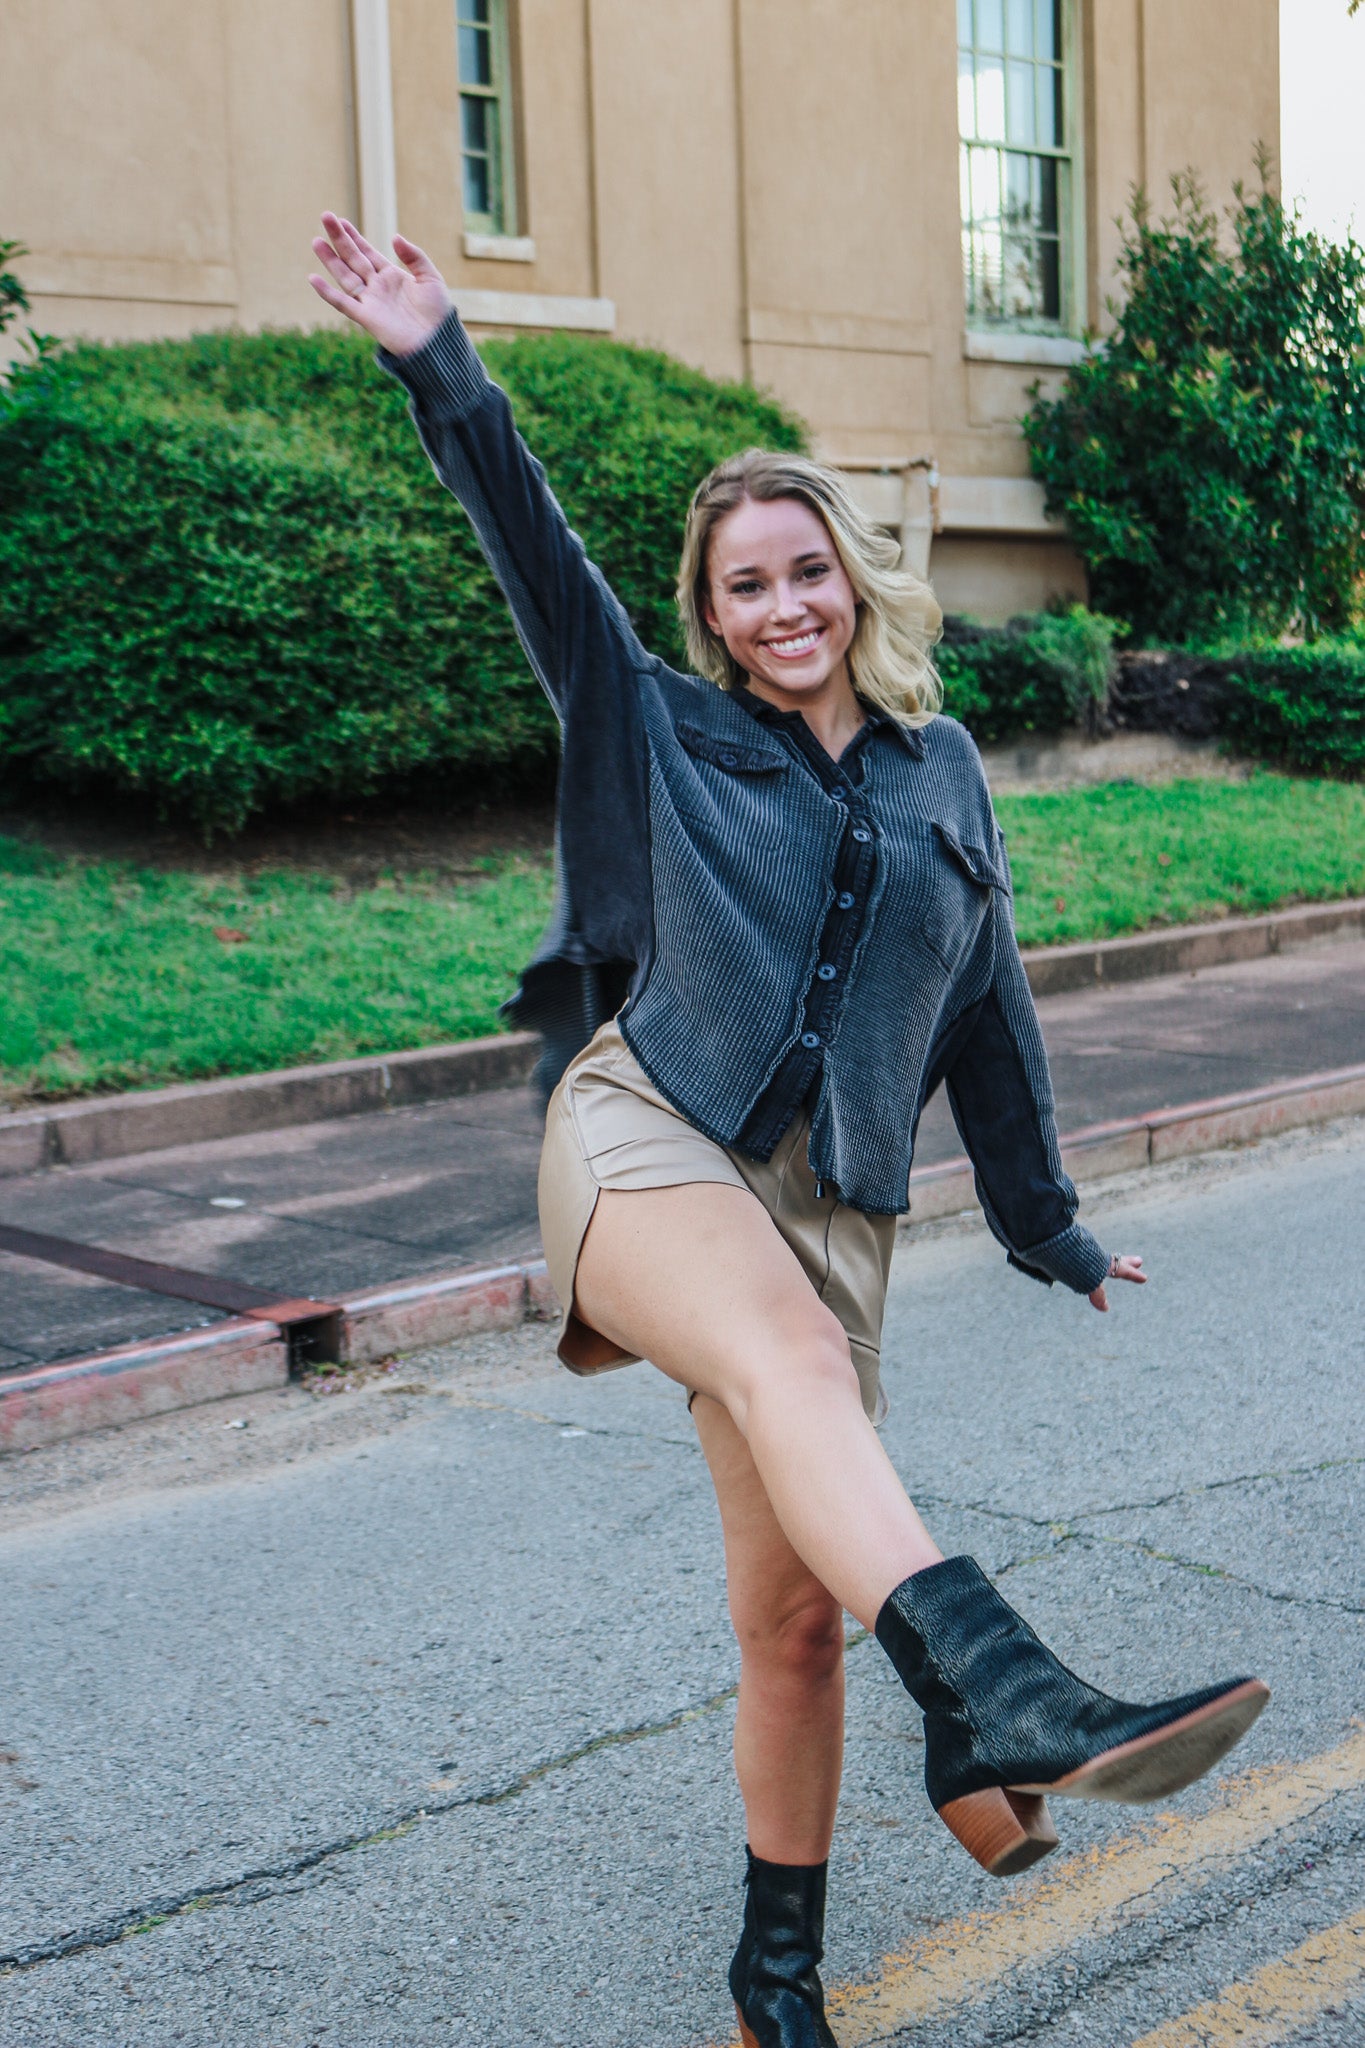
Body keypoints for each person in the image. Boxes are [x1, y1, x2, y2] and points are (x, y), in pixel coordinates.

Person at [309, 214, 1269, 2048]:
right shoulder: (653, 721)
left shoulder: (943, 770)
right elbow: (533, 544)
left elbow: (987, 1008)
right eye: (743, 586)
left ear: (854, 577)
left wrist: (1047, 1220)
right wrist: (441, 359)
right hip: (650, 1144)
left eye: (803, 570)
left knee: (798, 1620)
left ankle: (773, 1988)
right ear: (712, 616)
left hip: (832, 1215)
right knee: (778, 1359)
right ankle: (1001, 1701)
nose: (780, 607)